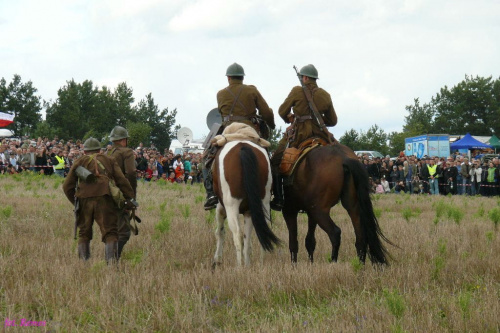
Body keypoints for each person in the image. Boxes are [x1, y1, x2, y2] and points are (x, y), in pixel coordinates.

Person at [203, 63, 276, 210]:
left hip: (228, 132)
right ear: (242, 78)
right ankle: (275, 193)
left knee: (206, 158)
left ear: (228, 78)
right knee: (269, 160)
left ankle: (210, 194)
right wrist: (271, 124)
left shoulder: (221, 94)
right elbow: (266, 113)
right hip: (248, 131)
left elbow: (223, 114)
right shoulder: (252, 90)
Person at [270, 64, 337, 210]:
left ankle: (279, 199)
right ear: (315, 78)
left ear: (305, 78)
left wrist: (291, 118)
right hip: (321, 136)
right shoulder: (325, 95)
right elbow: (333, 121)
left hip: (299, 136)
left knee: (276, 160)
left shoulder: (296, 90)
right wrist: (318, 120)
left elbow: (282, 111)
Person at [62, 138, 135, 263]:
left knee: (84, 233)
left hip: (83, 198)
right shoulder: (109, 160)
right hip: (105, 198)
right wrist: (129, 198)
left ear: (85, 151)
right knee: (110, 232)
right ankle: (111, 264)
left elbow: (67, 186)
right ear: (100, 150)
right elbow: (122, 181)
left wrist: (75, 201)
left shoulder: (79, 161)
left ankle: (83, 265)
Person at [107, 126, 138, 259]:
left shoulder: (108, 153)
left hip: (107, 193)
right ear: (124, 139)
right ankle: (112, 260)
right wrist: (131, 195)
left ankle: (110, 258)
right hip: (120, 194)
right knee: (124, 232)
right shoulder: (127, 152)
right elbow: (131, 173)